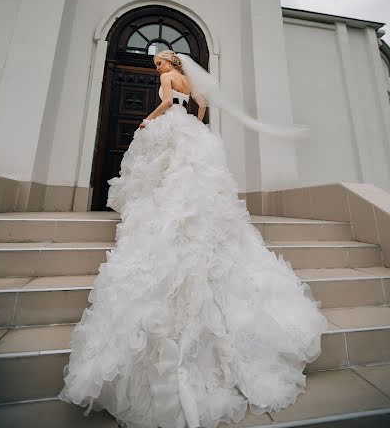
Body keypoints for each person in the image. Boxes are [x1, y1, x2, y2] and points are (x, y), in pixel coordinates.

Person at [59, 50, 327, 428]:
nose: (158, 69)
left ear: (171, 64)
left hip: (171, 128)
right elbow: (199, 105)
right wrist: (195, 124)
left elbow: (167, 103)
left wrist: (146, 121)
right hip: (190, 131)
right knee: (190, 176)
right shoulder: (193, 83)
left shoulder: (169, 83)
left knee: (167, 173)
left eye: (160, 64)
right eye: (157, 67)